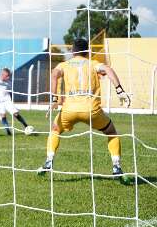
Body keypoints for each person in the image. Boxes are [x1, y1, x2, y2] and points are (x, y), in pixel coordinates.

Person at [37, 38, 131, 182]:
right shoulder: (93, 64)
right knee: (111, 131)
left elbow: (54, 74)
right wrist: (120, 91)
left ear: (73, 50)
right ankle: (116, 166)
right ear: (87, 51)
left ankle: (49, 160)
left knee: (55, 130)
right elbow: (108, 69)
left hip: (70, 110)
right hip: (91, 110)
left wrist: (55, 99)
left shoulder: (65, 64)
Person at [0, 65, 32, 135]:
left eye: (4, 75)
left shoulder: (9, 83)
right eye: (2, 74)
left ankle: (26, 126)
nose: (2, 76)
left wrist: (11, 100)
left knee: (16, 114)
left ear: (7, 77)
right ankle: (8, 131)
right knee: (3, 115)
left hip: (7, 101)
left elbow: (10, 92)